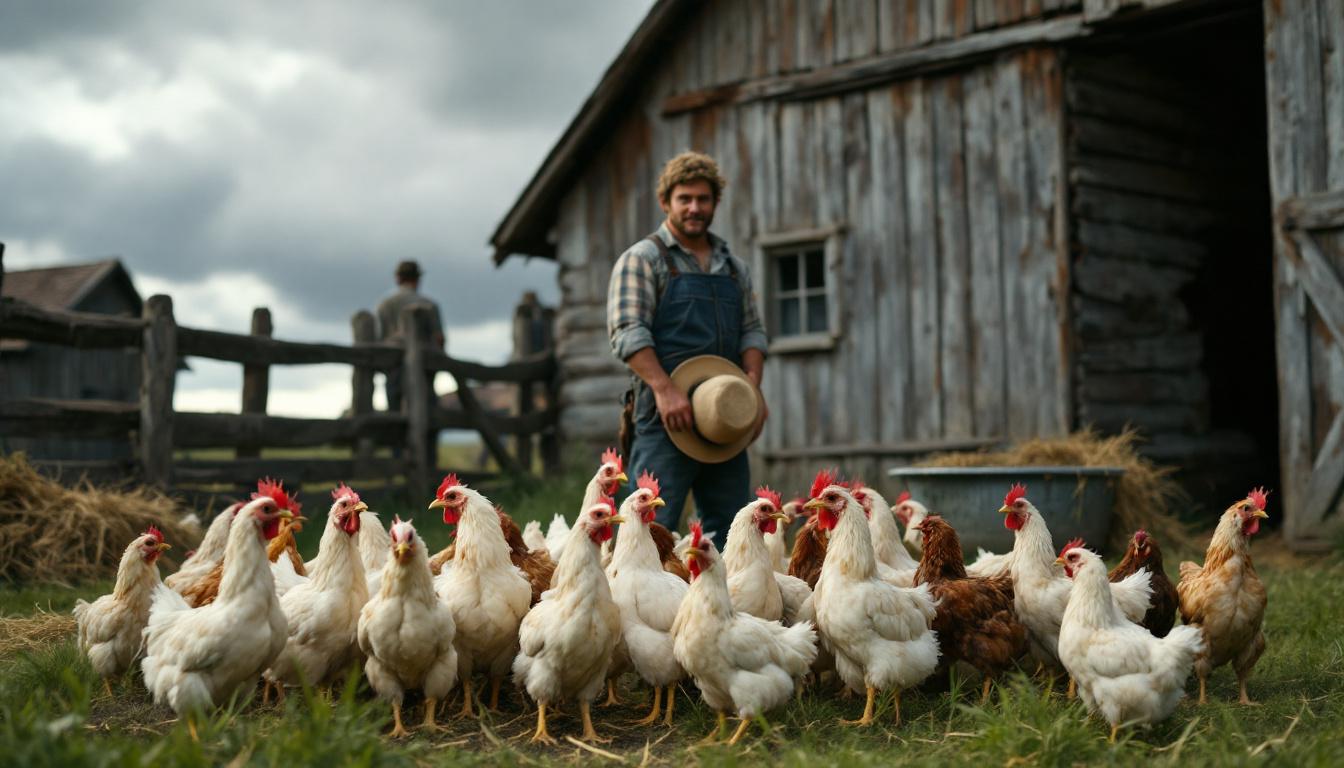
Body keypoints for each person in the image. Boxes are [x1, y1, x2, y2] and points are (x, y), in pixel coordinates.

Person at [607, 152, 769, 547]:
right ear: (666, 202)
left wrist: (751, 393)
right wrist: (664, 390)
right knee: (647, 531)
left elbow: (752, 332)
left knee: (734, 534)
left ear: (715, 203)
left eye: (703, 199)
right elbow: (628, 332)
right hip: (666, 416)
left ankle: (722, 608)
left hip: (722, 417)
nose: (695, 207)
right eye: (685, 199)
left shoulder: (733, 267)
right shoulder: (644, 259)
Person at [376, 260, 444, 465]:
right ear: (418, 278)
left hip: (394, 366)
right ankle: (428, 462)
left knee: (395, 413)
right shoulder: (429, 305)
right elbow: (439, 338)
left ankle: (397, 462)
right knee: (428, 414)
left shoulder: (385, 304)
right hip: (424, 368)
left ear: (398, 278)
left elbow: (380, 339)